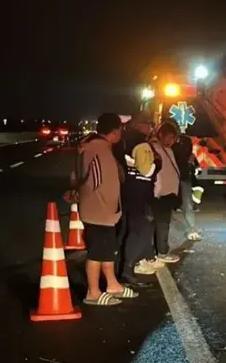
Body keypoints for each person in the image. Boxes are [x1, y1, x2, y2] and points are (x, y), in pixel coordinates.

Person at [74, 113, 139, 305]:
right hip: (98, 210)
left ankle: (112, 285)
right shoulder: (95, 148)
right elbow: (92, 181)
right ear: (115, 130)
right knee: (96, 252)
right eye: (120, 129)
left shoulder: (103, 147)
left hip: (106, 211)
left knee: (107, 250)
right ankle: (93, 293)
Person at [118, 114, 163, 283]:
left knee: (128, 230)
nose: (151, 128)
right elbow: (147, 171)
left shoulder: (123, 142)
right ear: (141, 125)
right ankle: (129, 268)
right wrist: (157, 162)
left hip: (127, 191)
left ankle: (125, 266)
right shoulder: (142, 144)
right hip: (140, 193)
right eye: (149, 125)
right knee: (139, 231)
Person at [149, 121, 182, 264]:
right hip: (159, 194)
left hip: (168, 194)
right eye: (169, 137)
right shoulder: (153, 148)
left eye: (173, 138)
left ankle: (158, 250)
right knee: (161, 224)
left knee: (162, 223)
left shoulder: (168, 149)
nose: (172, 141)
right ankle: (161, 252)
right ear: (160, 135)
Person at [172, 132, 202, 241]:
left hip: (181, 175)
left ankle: (192, 229)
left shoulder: (185, 140)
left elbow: (191, 154)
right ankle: (192, 229)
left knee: (187, 202)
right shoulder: (185, 140)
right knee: (186, 202)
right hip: (175, 175)